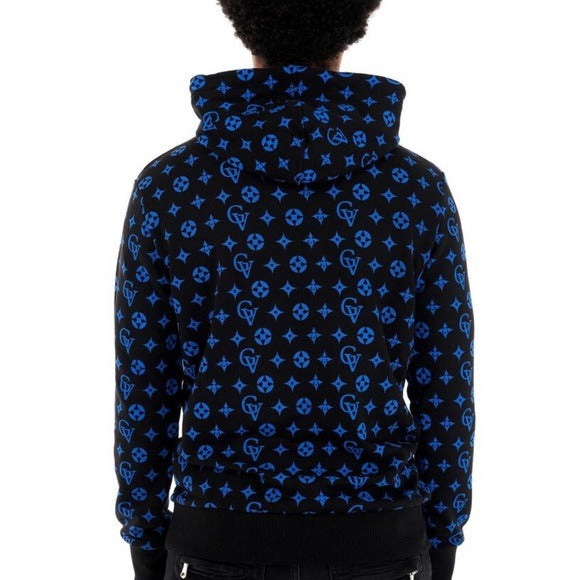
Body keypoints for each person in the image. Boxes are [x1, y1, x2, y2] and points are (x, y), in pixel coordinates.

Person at [112, 1, 476, 579]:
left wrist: (146, 542)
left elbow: (145, 387)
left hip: (218, 534)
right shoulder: (417, 190)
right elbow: (446, 388)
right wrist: (444, 538)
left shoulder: (171, 188)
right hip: (378, 535)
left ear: (242, 19)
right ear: (352, 22)